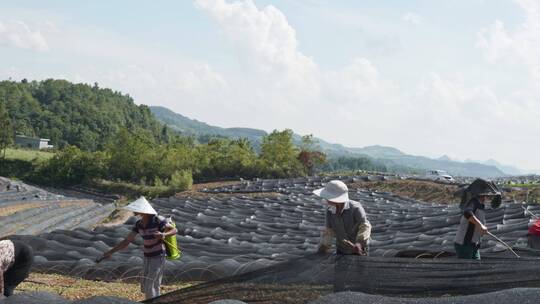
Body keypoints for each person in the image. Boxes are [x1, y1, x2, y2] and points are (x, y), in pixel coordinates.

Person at [100, 197, 177, 300]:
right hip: (147, 256)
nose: (133, 211)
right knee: (147, 285)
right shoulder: (139, 225)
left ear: (143, 211)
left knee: (151, 284)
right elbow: (127, 241)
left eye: (136, 209)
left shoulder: (157, 220)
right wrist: (110, 252)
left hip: (158, 256)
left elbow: (174, 230)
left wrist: (163, 234)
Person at [315, 180, 372, 255]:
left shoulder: (355, 208)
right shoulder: (329, 211)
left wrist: (359, 243)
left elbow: (365, 226)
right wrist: (323, 248)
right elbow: (329, 231)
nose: (326, 199)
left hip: (358, 249)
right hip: (341, 249)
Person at [454, 179, 501, 260]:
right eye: (488, 195)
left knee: (476, 266)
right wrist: (480, 225)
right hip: (465, 244)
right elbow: (467, 213)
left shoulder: (481, 205)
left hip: (474, 244)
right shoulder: (473, 202)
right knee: (466, 269)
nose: (490, 197)